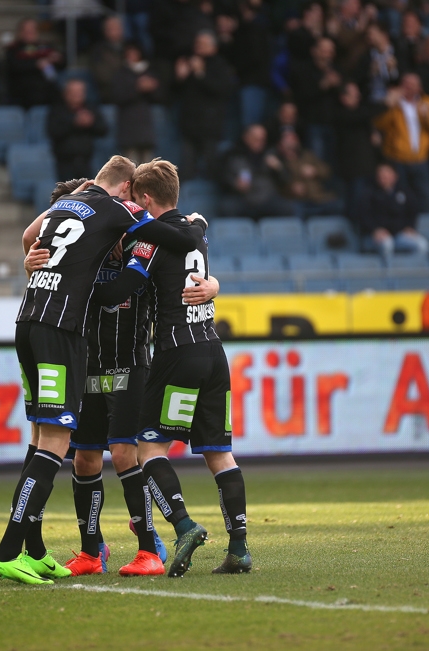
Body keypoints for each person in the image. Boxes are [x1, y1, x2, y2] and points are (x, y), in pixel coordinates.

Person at [0, 155, 204, 585]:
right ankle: (60, 551)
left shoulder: (88, 213)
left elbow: (34, 235)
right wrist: (197, 225)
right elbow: (170, 239)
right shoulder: (112, 216)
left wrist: (40, 260)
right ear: (126, 191)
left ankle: (140, 546)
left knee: (76, 445)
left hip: (88, 345)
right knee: (70, 451)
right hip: (72, 344)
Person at [89, 159, 252, 577]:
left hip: (176, 354)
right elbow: (195, 232)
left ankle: (183, 526)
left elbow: (121, 291)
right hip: (214, 351)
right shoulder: (197, 235)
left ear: (144, 199)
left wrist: (84, 283)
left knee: (149, 448)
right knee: (219, 453)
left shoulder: (151, 241)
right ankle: (238, 548)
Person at [374, 72, 429, 212]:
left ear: (420, 87)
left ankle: (426, 227)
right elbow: (379, 124)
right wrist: (389, 104)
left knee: (426, 196)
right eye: (406, 84)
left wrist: (427, 116)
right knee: (401, 196)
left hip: (421, 159)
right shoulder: (393, 103)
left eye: (413, 85)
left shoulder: (428, 102)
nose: (410, 88)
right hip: (397, 159)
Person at [174, 30, 236, 180]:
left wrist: (201, 73)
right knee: (186, 169)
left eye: (203, 44)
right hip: (189, 124)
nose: (198, 47)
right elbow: (175, 93)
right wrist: (179, 78)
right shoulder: (188, 62)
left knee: (211, 167)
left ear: (213, 47)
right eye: (197, 43)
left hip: (210, 124)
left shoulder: (220, 65)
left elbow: (221, 90)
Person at [218, 124, 296, 219]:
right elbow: (221, 178)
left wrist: (279, 168)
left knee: (288, 207)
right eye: (256, 138)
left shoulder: (272, 154)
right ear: (246, 137)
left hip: (267, 199)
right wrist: (234, 184)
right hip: (242, 199)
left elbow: (286, 179)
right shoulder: (232, 155)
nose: (259, 142)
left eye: (262, 139)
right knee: (227, 207)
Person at [354, 162, 427, 257]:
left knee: (421, 245)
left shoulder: (404, 192)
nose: (384, 177)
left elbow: (413, 211)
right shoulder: (368, 193)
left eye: (387, 173)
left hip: (398, 234)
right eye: (381, 174)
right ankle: (387, 271)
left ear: (395, 176)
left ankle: (410, 270)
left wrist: (410, 226)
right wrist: (375, 230)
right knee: (387, 244)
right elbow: (363, 215)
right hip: (375, 235)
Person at [334, 81, 385, 214]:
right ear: (344, 98)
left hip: (369, 168)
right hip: (354, 171)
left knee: (371, 207)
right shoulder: (341, 114)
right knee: (356, 208)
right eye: (354, 93)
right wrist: (385, 103)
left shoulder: (362, 116)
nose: (358, 96)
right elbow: (363, 115)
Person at [288, 37, 342, 161]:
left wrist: (339, 85)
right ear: (314, 51)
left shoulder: (337, 70)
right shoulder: (303, 70)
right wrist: (322, 86)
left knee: (332, 166)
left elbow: (347, 96)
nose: (328, 55)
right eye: (324, 50)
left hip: (334, 125)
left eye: (330, 51)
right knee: (316, 162)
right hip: (313, 125)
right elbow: (300, 96)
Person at [111, 42, 164, 165]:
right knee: (130, 165)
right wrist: (137, 88)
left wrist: (152, 88)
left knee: (148, 167)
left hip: (146, 126)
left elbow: (160, 96)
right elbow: (117, 96)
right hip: (128, 126)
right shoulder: (120, 74)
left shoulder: (149, 72)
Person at [46, 79, 109, 181]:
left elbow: (103, 130)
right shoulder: (57, 110)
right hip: (65, 162)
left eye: (80, 91)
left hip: (87, 161)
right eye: (74, 92)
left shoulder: (91, 108)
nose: (78, 95)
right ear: (66, 93)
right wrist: (74, 123)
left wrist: (91, 123)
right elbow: (52, 132)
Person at [275, 129, 345, 217]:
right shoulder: (278, 162)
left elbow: (327, 171)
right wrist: (291, 188)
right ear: (280, 144)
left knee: (339, 205)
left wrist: (315, 170)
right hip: (298, 201)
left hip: (318, 198)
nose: (291, 143)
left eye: (293, 139)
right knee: (292, 210)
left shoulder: (307, 155)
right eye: (287, 140)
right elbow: (279, 185)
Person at [4, 18, 62, 109]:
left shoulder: (46, 46)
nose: (30, 32)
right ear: (20, 32)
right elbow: (13, 66)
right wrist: (36, 64)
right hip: (24, 89)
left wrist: (57, 58)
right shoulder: (13, 49)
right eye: (27, 30)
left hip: (47, 87)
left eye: (33, 29)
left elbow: (62, 63)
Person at [89, 15, 126, 104]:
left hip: (132, 93)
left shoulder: (131, 47)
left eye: (117, 28)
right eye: (111, 29)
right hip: (109, 94)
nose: (115, 32)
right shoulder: (98, 50)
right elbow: (102, 76)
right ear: (105, 31)